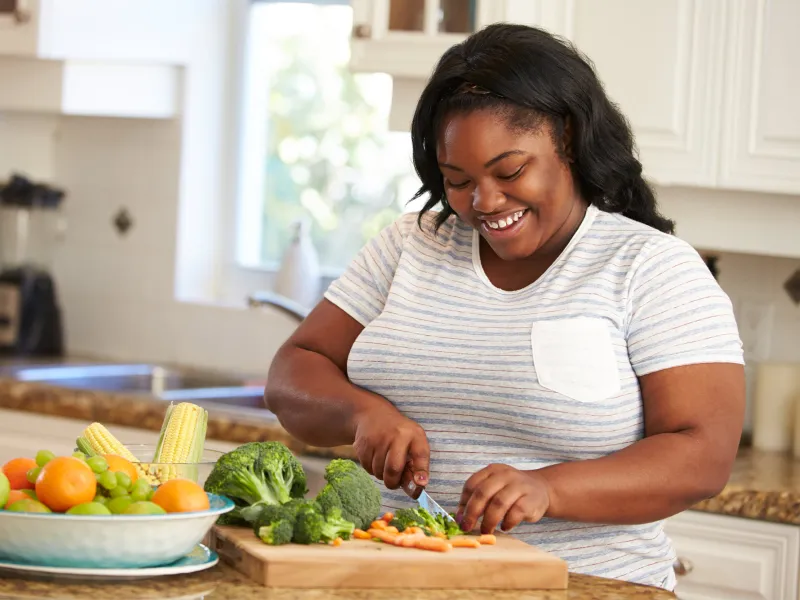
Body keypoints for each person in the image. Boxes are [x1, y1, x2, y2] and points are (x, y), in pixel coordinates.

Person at [265, 23, 744, 590]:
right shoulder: (412, 243)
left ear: (567, 137)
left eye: (509, 171)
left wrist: (549, 488)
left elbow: (703, 455)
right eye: (457, 180)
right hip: (397, 578)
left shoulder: (651, 268)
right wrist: (361, 413)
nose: (483, 202)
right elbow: (292, 371)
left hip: (585, 585)